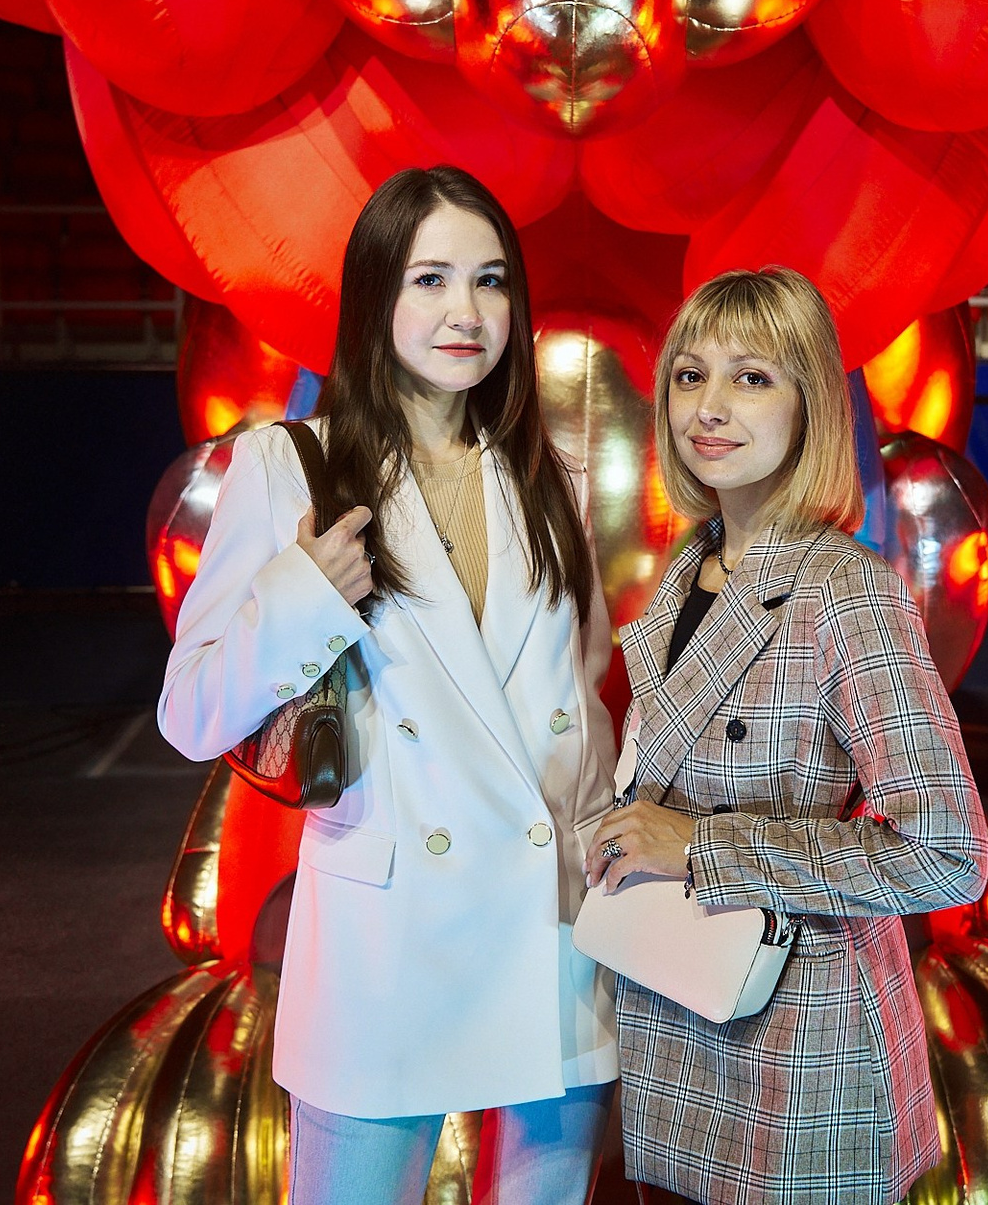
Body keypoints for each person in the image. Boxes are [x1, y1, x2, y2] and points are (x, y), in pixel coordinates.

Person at [159, 166, 619, 1204]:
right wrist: (300, 597)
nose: (467, 312)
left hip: (552, 932)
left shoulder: (551, 479)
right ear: (377, 295)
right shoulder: (290, 465)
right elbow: (188, 712)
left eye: (491, 281)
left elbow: (579, 698)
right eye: (431, 279)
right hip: (387, 943)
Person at [585, 266, 988, 1205]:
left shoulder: (846, 589)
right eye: (690, 375)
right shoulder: (689, 570)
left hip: (802, 1047)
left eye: (752, 378)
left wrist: (703, 847)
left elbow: (948, 856)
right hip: (678, 1008)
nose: (710, 408)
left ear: (811, 404)